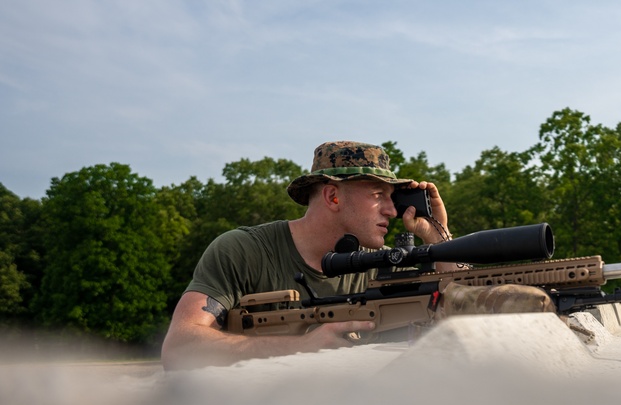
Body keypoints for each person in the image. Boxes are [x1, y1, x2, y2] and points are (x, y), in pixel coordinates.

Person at [160, 141, 455, 371]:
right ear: (333, 197)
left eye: (393, 198)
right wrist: (302, 347)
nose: (392, 211)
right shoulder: (243, 250)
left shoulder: (381, 265)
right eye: (378, 195)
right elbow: (179, 348)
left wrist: (438, 236)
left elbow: (467, 305)